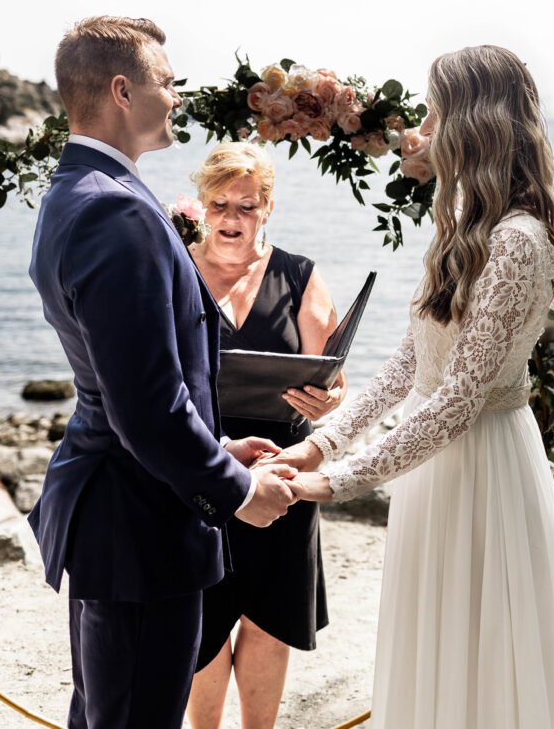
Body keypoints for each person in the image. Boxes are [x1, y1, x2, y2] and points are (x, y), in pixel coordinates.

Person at [273, 45, 554, 728]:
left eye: (434, 111)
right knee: (436, 653)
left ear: (473, 121)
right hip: (432, 468)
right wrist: (323, 443)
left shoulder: (518, 240)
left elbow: (458, 398)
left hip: (484, 469)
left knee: (488, 658)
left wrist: (337, 483)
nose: (422, 130)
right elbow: (411, 363)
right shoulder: (464, 224)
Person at [27, 16, 298, 729]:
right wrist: (238, 488)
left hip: (121, 513)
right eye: (167, 82)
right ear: (122, 90)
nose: (177, 97)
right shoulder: (114, 211)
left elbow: (139, 376)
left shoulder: (81, 190)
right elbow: (145, 406)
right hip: (138, 527)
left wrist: (215, 441)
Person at [185, 141, 347, 729]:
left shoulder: (300, 275)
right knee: (200, 620)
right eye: (220, 203)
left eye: (247, 207)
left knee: (268, 619)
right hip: (200, 464)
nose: (231, 218)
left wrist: (327, 397)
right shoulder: (173, 268)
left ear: (268, 208)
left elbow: (334, 381)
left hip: (282, 465)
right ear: (203, 204)